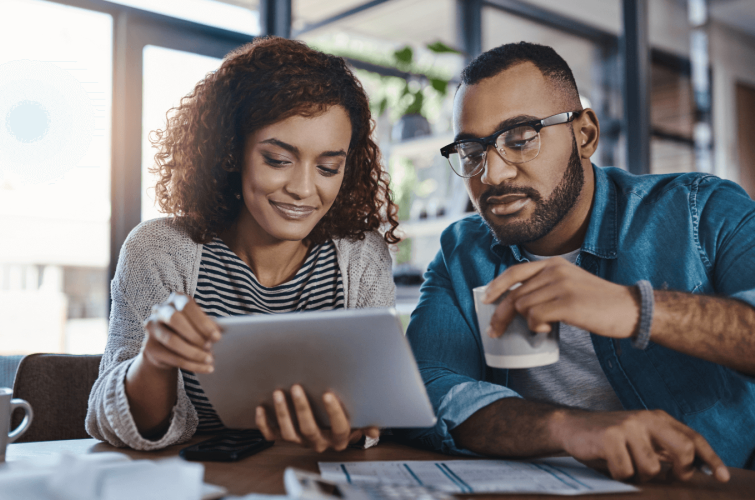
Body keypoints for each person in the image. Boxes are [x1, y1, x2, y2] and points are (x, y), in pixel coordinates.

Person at [403, 41, 755, 482]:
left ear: (584, 134)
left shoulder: (702, 210)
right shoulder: (461, 252)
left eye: (520, 139)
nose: (492, 175)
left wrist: (633, 308)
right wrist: (569, 428)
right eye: (473, 152)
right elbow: (425, 389)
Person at [85, 37, 399, 453]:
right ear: (232, 150)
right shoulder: (158, 250)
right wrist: (155, 362)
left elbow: (376, 409)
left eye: (328, 167)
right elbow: (116, 424)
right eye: (278, 160)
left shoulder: (362, 257)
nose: (304, 189)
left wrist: (358, 425)